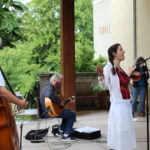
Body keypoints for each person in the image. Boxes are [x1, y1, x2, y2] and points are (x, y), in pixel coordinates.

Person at [95, 44, 136, 150]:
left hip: (127, 104)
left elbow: (123, 83)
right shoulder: (108, 68)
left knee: (126, 131)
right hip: (119, 106)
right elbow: (104, 86)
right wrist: (100, 75)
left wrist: (130, 72)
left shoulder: (120, 69)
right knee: (120, 132)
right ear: (114, 53)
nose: (124, 51)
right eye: (121, 50)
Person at [39, 73, 76, 141]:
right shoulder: (50, 88)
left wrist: (67, 100)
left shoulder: (48, 87)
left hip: (48, 111)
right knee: (72, 114)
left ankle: (61, 131)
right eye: (60, 81)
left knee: (67, 112)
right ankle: (66, 136)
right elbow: (49, 95)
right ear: (55, 80)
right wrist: (60, 101)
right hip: (49, 112)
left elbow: (52, 99)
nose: (61, 83)